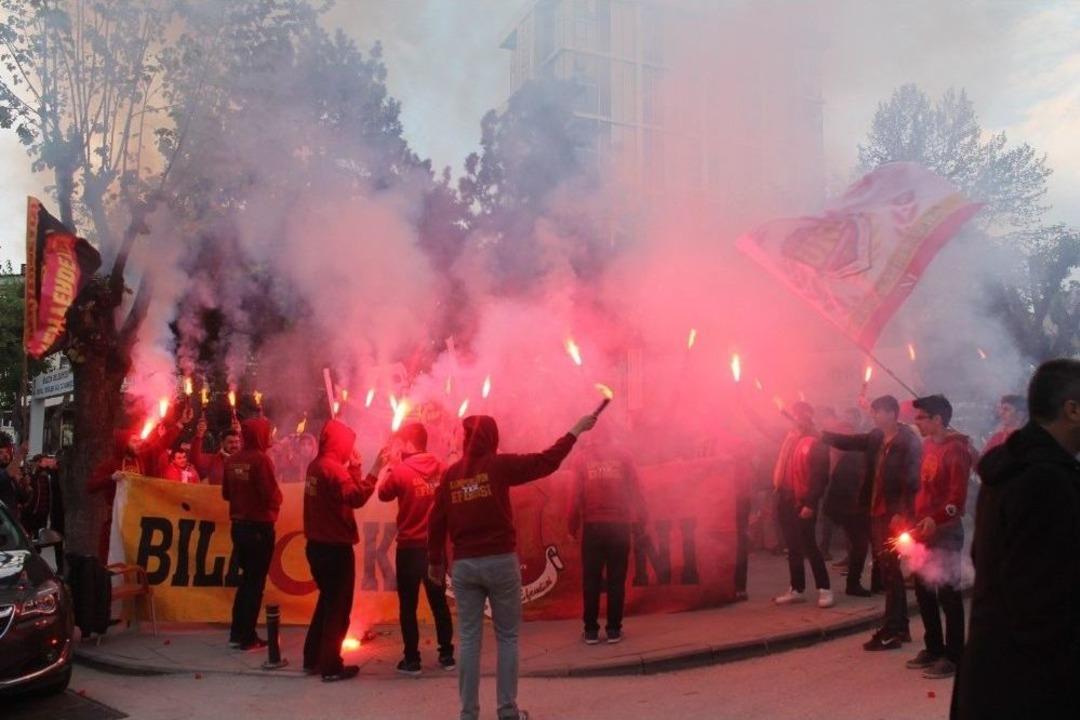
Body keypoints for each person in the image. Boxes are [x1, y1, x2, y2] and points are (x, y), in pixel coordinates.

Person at [428, 413, 597, 720]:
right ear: (492, 438)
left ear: (465, 440)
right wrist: (576, 429)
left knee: (468, 639)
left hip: (465, 565)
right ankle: (507, 711)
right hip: (499, 561)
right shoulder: (499, 466)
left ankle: (468, 714)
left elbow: (436, 521)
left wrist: (435, 561)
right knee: (507, 637)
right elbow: (546, 461)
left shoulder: (451, 475)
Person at [953, 359, 1080, 719]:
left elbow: (984, 557)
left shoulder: (1010, 468)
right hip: (1032, 683)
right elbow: (1046, 599)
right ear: (1072, 409)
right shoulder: (1048, 481)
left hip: (992, 671)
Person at [821, 395, 922, 651]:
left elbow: (912, 481)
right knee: (888, 572)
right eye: (874, 411)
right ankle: (897, 627)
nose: (874, 416)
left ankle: (895, 628)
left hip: (894, 515)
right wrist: (821, 434)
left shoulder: (907, 441)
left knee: (890, 571)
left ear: (891, 413)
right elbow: (851, 442)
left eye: (878, 412)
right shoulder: (877, 437)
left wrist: (902, 512)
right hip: (875, 511)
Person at [375, 422, 455, 676]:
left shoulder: (400, 471)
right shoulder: (442, 467)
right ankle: (447, 654)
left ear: (410, 444)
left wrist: (387, 466)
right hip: (434, 547)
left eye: (401, 442)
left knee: (407, 605)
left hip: (409, 548)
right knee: (439, 602)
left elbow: (383, 494)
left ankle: (412, 659)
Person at [302, 418, 378, 682]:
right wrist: (375, 469)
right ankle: (331, 666)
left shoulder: (317, 465)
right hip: (335, 548)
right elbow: (356, 497)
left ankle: (312, 657)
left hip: (316, 546)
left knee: (327, 603)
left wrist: (354, 470)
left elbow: (345, 492)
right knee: (338, 609)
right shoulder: (334, 470)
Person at [906, 395, 973, 680]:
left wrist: (937, 518)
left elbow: (957, 499)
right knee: (923, 591)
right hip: (923, 530)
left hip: (945, 533)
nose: (916, 422)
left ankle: (954, 656)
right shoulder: (927, 446)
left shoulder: (956, 450)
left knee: (948, 594)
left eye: (921, 417)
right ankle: (933, 647)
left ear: (937, 420)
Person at [568, 428, 647, 643]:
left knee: (591, 581)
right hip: (619, 525)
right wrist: (642, 520)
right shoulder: (624, 456)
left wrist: (572, 525)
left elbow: (576, 495)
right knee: (616, 580)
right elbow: (636, 491)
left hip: (593, 527)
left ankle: (591, 630)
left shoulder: (582, 459)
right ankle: (613, 629)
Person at [222, 417, 282, 650]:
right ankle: (248, 637)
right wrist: (278, 500)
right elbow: (271, 495)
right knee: (255, 584)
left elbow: (226, 494)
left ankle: (237, 633)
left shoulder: (233, 460)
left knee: (246, 582)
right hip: (259, 528)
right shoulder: (261, 460)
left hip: (238, 526)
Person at [772, 402, 834, 608]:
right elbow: (762, 426)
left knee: (809, 545)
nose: (796, 419)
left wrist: (810, 503)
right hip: (785, 498)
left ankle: (824, 589)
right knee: (792, 546)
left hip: (803, 501)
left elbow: (820, 476)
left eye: (801, 415)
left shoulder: (816, 442)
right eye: (795, 415)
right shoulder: (789, 440)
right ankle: (796, 588)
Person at [821, 408, 872, 596]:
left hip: (845, 505)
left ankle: (856, 579)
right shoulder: (858, 457)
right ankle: (853, 583)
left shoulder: (853, 454)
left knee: (857, 542)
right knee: (860, 543)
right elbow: (854, 485)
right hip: (850, 506)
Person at [193, 418, 242, 486]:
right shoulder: (213, 460)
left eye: (237, 442)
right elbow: (195, 460)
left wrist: (239, 432)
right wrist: (199, 436)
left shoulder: (245, 460)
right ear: (222, 443)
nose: (234, 445)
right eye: (230, 442)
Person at [0, 435, 29, 524]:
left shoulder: (12, 475)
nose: (6, 455)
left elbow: (22, 498)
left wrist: (24, 485)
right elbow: (5, 476)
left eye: (7, 452)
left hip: (12, 525)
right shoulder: (7, 473)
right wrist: (20, 454)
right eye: (1, 452)